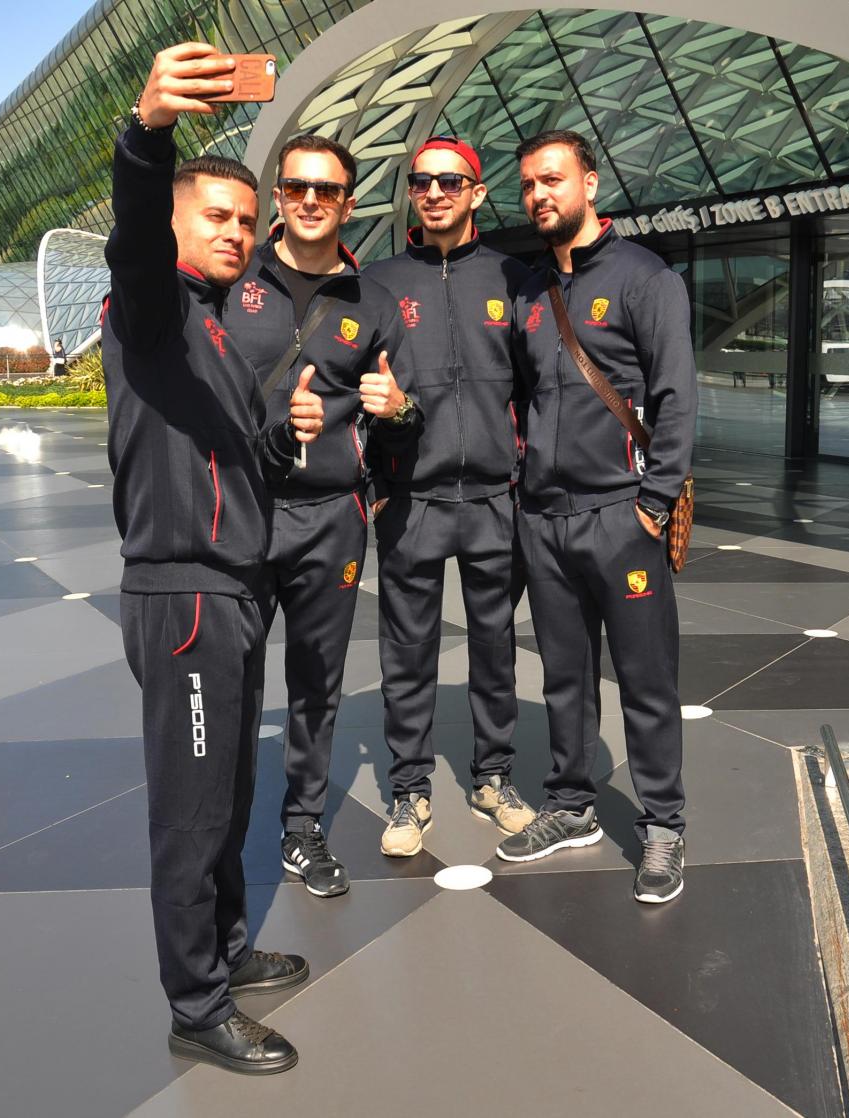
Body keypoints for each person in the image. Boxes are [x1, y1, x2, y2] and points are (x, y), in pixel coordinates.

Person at [104, 43, 325, 1075]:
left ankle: (227, 950)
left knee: (229, 789)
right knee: (191, 810)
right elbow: (134, 243)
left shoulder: (213, 331)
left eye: (247, 220)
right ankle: (195, 1003)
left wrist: (283, 438)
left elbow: (229, 464)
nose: (238, 232)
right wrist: (148, 134)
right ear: (174, 225)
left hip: (232, 591)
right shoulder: (154, 311)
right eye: (218, 217)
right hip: (185, 594)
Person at [501, 130, 695, 903]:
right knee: (564, 677)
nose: (539, 195)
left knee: (645, 680)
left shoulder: (645, 278)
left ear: (589, 183)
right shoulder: (528, 291)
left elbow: (675, 395)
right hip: (544, 517)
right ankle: (570, 805)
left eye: (552, 179)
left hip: (622, 515)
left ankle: (663, 825)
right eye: (528, 185)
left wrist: (654, 503)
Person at [226, 132, 410, 899]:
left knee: (316, 683)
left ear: (348, 203)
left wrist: (400, 408)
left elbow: (405, 414)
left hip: (331, 518)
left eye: (326, 190)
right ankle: (220, 831)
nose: (309, 200)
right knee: (231, 681)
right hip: (238, 511)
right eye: (296, 186)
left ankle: (302, 827)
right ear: (277, 195)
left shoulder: (373, 303)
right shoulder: (232, 279)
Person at [361, 135, 535, 857]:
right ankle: (409, 789)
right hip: (412, 499)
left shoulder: (514, 277)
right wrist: (373, 483)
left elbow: (540, 385)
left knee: (495, 648)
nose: (434, 192)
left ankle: (494, 777)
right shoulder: (378, 282)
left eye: (450, 181)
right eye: (422, 181)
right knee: (407, 651)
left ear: (477, 193)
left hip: (496, 495)